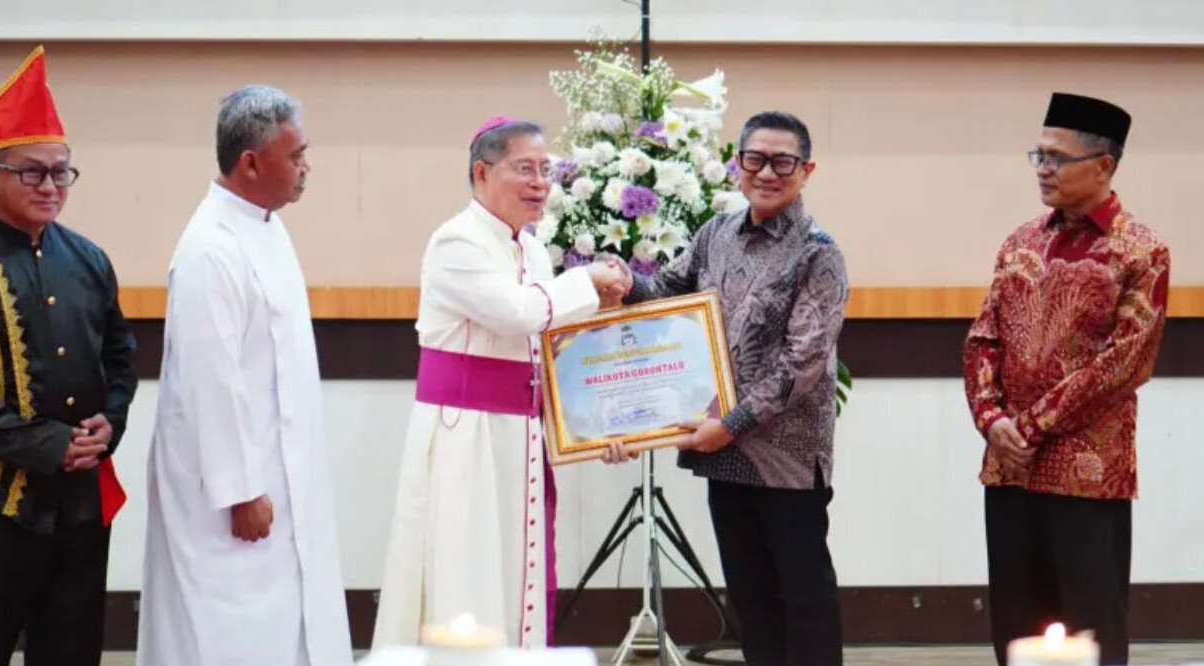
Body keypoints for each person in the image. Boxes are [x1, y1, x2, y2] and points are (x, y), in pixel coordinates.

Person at [372, 116, 628, 649]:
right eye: (525, 169)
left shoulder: (532, 251)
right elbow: (517, 314)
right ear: (482, 172)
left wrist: (600, 424)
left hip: (521, 439)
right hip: (468, 440)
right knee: (468, 572)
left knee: (516, 572)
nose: (540, 182)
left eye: (546, 170)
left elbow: (548, 345)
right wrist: (584, 281)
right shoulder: (455, 241)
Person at [618, 110, 848, 666]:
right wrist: (621, 281)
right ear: (737, 164)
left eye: (782, 161)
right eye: (755, 159)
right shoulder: (715, 234)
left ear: (806, 169)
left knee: (804, 597)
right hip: (724, 453)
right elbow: (665, 291)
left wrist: (732, 424)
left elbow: (803, 363)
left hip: (787, 458)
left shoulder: (819, 253)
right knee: (751, 597)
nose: (767, 172)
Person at [137, 85, 352, 666]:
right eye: (297, 155)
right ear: (251, 162)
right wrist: (241, 491)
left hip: (278, 473)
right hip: (230, 494)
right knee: (227, 634)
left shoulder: (265, 226)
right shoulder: (211, 248)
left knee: (284, 627)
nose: (307, 168)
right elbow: (211, 380)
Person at [964, 92, 1170, 666]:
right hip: (1009, 467)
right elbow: (983, 338)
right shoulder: (1021, 241)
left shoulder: (1140, 250)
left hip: (1087, 473)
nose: (1044, 169)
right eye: (1039, 155)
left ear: (1102, 165)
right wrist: (992, 421)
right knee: (1014, 621)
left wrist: (1026, 427)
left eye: (1057, 158)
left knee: (1090, 623)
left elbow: (1124, 364)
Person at [0, 45, 138, 666]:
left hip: (80, 512)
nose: (50, 186)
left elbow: (122, 358)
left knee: (71, 653)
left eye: (61, 172)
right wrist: (45, 443)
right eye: (32, 172)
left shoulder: (88, 259)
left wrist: (108, 424)